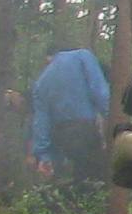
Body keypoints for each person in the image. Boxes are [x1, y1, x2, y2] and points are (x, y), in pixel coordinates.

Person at [29, 35, 113, 197]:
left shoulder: (40, 82)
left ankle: (76, 211)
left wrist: (43, 155)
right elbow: (99, 90)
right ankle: (91, 213)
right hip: (85, 129)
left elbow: (41, 122)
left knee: (81, 175)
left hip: (62, 136)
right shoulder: (82, 56)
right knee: (98, 179)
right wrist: (113, 116)